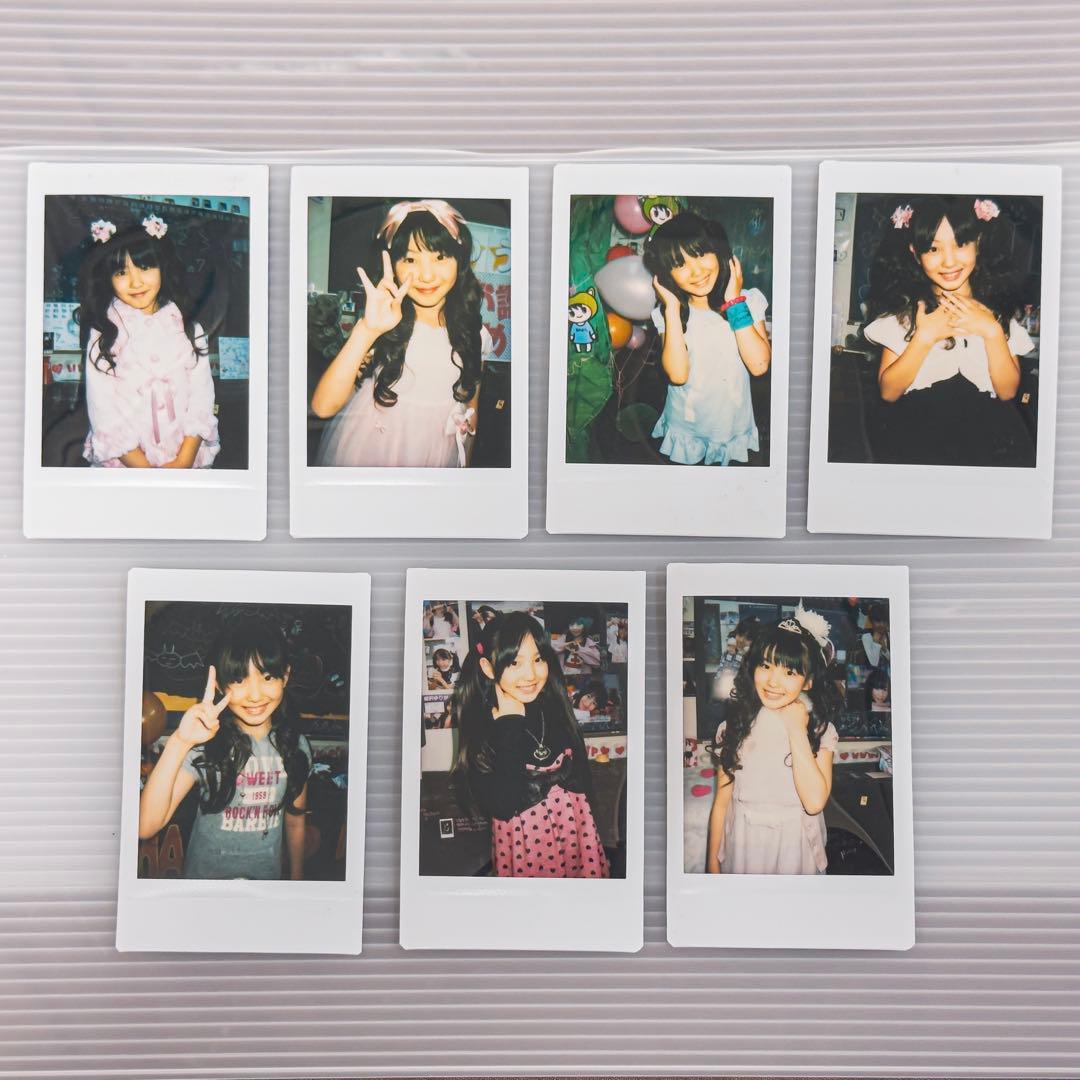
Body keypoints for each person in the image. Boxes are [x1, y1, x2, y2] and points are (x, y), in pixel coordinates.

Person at [311, 199, 492, 467]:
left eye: (440, 257)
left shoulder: (476, 334)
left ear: (460, 261)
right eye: (410, 259)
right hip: (372, 451)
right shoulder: (383, 323)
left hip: (439, 457)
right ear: (393, 265)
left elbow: (470, 409)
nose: (426, 275)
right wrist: (368, 329)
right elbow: (323, 407)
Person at [862, 194, 1036, 466]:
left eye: (961, 244)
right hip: (916, 447)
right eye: (933, 249)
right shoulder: (904, 316)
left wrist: (991, 332)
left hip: (988, 449)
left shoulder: (997, 317)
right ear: (915, 253)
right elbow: (889, 391)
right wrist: (924, 337)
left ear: (978, 243)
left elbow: (1007, 391)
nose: (949, 261)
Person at [138, 620, 311, 880]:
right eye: (239, 679)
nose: (255, 695)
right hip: (206, 893)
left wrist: (297, 881)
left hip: (264, 892)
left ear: (285, 676)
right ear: (219, 684)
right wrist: (181, 741)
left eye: (267, 677)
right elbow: (145, 826)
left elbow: (296, 822)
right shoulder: (205, 745)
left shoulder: (296, 746)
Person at [450, 611, 610, 878]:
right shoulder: (485, 724)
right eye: (515, 662)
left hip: (579, 841)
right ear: (488, 667)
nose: (531, 674)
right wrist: (510, 723)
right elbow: (503, 804)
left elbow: (583, 781)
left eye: (538, 659)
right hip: (528, 852)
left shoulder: (554, 705)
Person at [706, 605, 842, 875]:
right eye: (766, 665)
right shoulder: (734, 726)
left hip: (795, 847)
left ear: (808, 682)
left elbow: (815, 802)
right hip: (744, 845)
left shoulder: (820, 730)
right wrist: (712, 862)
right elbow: (721, 802)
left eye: (790, 672)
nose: (773, 682)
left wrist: (796, 729)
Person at [78, 214, 219, 468]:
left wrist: (182, 463)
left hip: (185, 461)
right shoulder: (104, 335)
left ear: (163, 267)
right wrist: (145, 473)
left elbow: (202, 398)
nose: (136, 282)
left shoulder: (190, 329)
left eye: (145, 267)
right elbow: (103, 413)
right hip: (126, 467)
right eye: (122, 272)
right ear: (108, 278)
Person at [643, 212, 771, 466]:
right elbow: (678, 375)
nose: (696, 271)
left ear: (719, 252)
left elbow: (759, 366)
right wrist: (671, 308)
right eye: (680, 264)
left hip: (732, 429)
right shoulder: (667, 313)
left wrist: (734, 301)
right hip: (685, 432)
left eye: (700, 254)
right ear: (667, 274)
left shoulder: (748, 301)